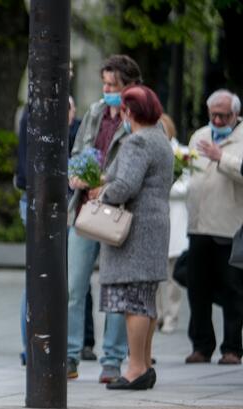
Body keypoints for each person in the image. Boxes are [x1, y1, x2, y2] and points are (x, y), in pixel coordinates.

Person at [67, 55, 142, 383]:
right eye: (105, 84)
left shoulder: (138, 117)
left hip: (118, 213)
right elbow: (77, 152)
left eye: (113, 85)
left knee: (114, 290)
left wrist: (106, 186)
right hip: (85, 210)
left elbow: (136, 164)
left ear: (130, 86)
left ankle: (111, 361)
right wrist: (76, 176)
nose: (107, 90)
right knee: (73, 286)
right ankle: (69, 356)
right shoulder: (96, 112)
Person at [98, 85, 171, 390]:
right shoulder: (161, 138)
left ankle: (135, 368)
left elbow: (125, 185)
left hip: (135, 231)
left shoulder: (138, 141)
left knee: (134, 302)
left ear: (129, 112)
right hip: (154, 227)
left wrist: (102, 195)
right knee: (145, 299)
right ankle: (145, 362)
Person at [17, 94, 93, 364]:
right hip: (43, 204)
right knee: (40, 276)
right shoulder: (34, 125)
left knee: (71, 277)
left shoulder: (77, 130)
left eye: (70, 109)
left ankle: (77, 343)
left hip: (64, 206)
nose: (68, 115)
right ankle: (34, 345)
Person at [184, 89, 243, 365]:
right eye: (213, 115)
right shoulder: (199, 135)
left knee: (233, 290)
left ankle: (232, 348)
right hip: (199, 225)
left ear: (235, 114)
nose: (217, 121)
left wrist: (222, 157)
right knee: (198, 289)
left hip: (229, 227)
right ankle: (201, 346)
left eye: (223, 115)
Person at [157, 114, 188, 334]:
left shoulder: (183, 154)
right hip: (157, 220)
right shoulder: (154, 151)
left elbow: (187, 187)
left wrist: (164, 186)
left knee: (173, 277)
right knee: (157, 275)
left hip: (176, 219)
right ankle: (157, 314)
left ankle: (172, 316)